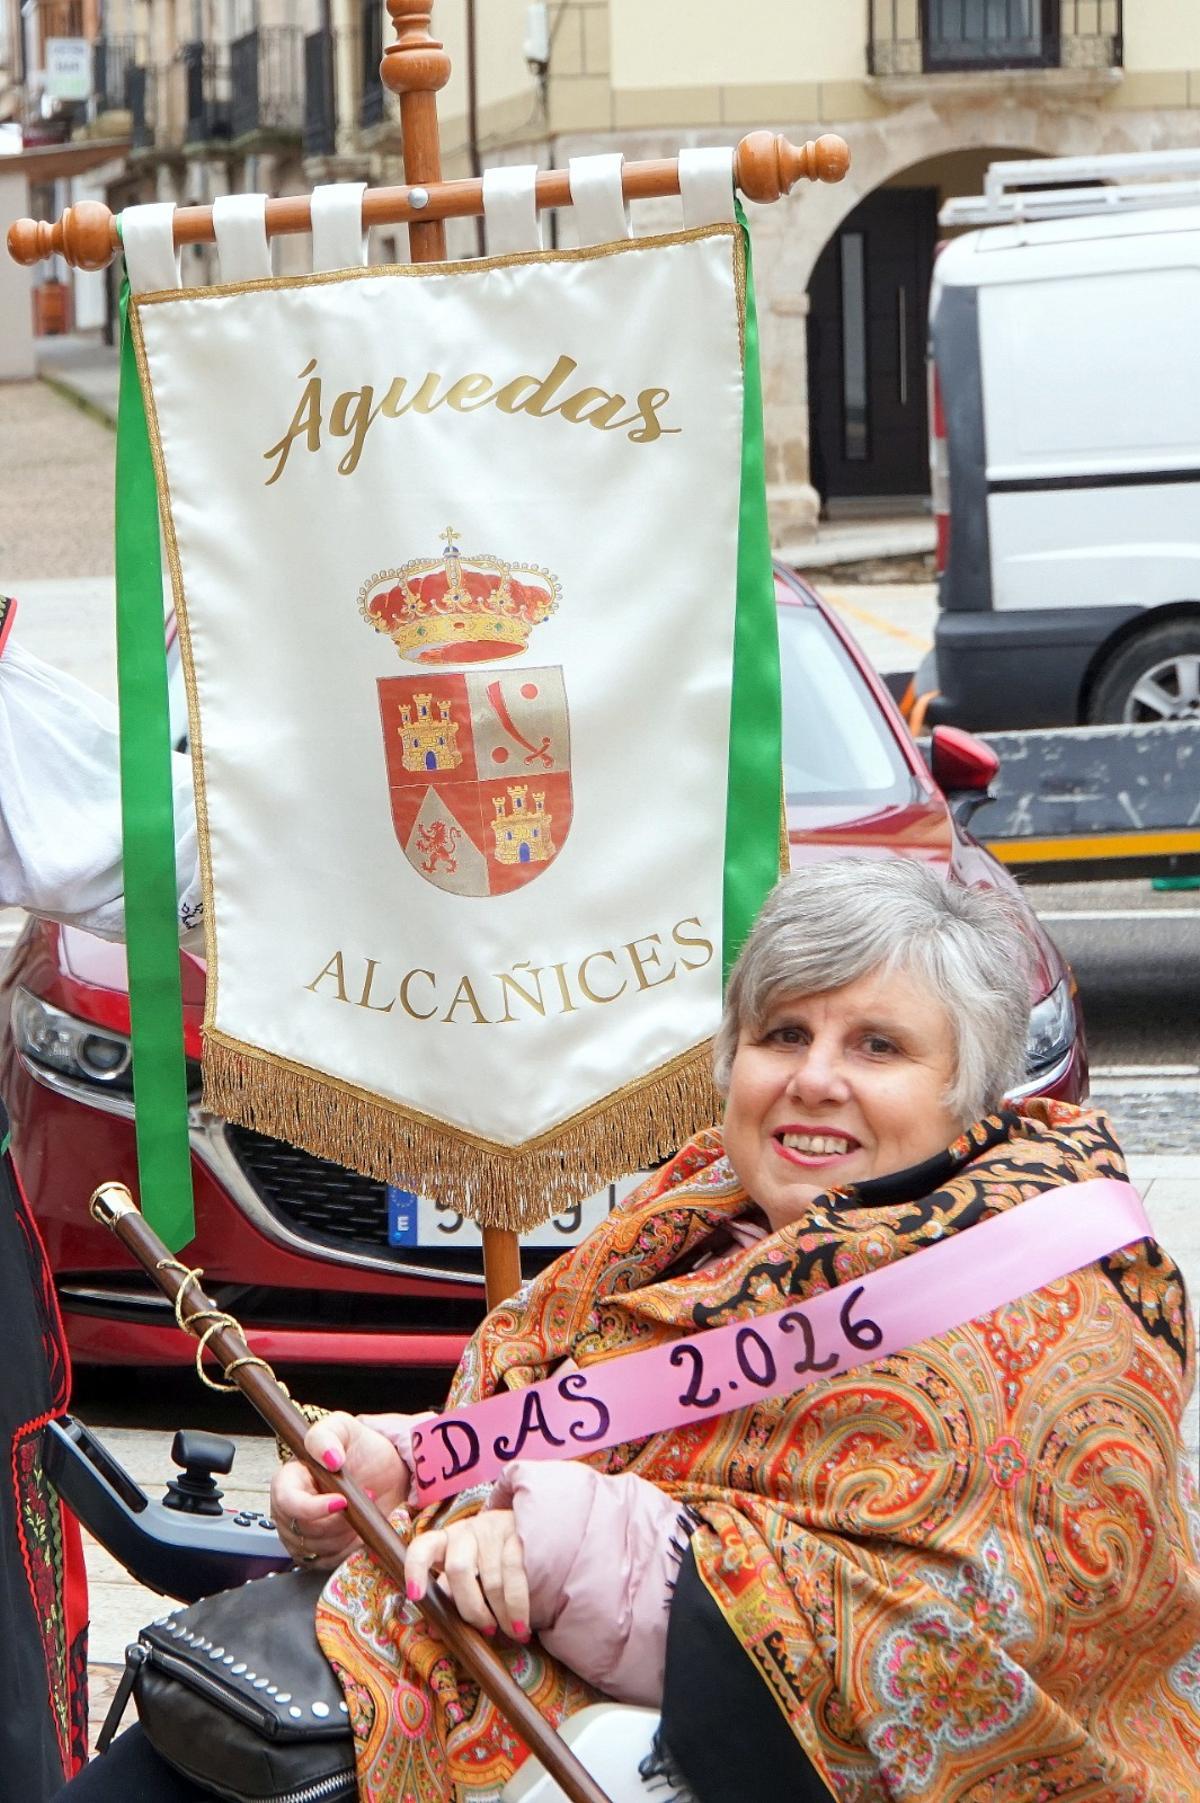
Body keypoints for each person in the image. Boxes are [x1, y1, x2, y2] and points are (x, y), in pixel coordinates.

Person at [61, 857, 1200, 1802]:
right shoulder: (696, 1214)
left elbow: (957, 1638)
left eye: (878, 1048)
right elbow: (568, 1434)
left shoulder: (1053, 1315)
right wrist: (405, 1471)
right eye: (782, 1033)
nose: (814, 1080)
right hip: (405, 1687)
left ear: (972, 1097)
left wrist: (568, 1538)